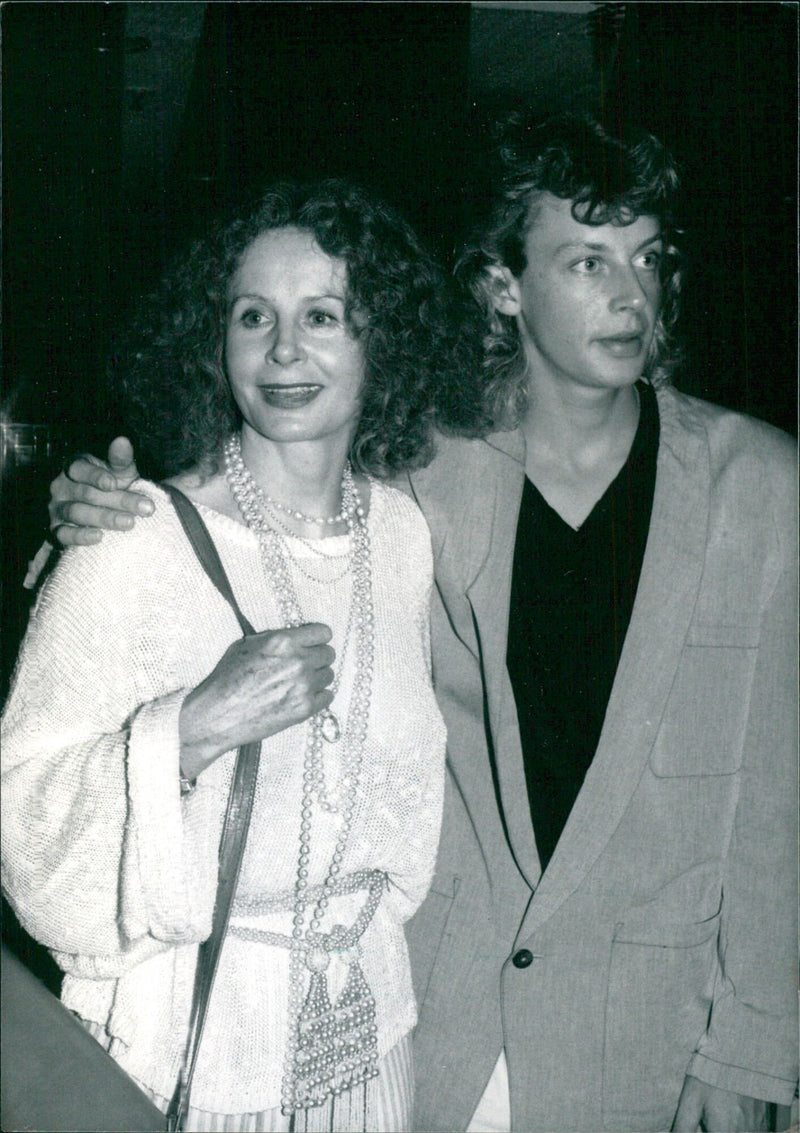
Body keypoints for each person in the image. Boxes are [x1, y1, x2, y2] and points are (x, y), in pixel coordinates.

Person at [41, 115, 798, 1132]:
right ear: (500, 287)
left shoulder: (759, 483)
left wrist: (751, 1039)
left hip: (648, 1043)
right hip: (425, 1034)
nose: (632, 294)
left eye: (649, 258)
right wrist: (83, 522)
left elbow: (775, 795)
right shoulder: (418, 479)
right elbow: (257, 504)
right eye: (586, 260)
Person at [1, 178, 459, 1132]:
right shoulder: (131, 538)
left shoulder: (404, 534)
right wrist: (192, 729)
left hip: (368, 1030)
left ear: (384, 341)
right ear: (216, 343)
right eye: (254, 316)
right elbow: (22, 812)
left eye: (323, 315)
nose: (284, 349)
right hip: (193, 1049)